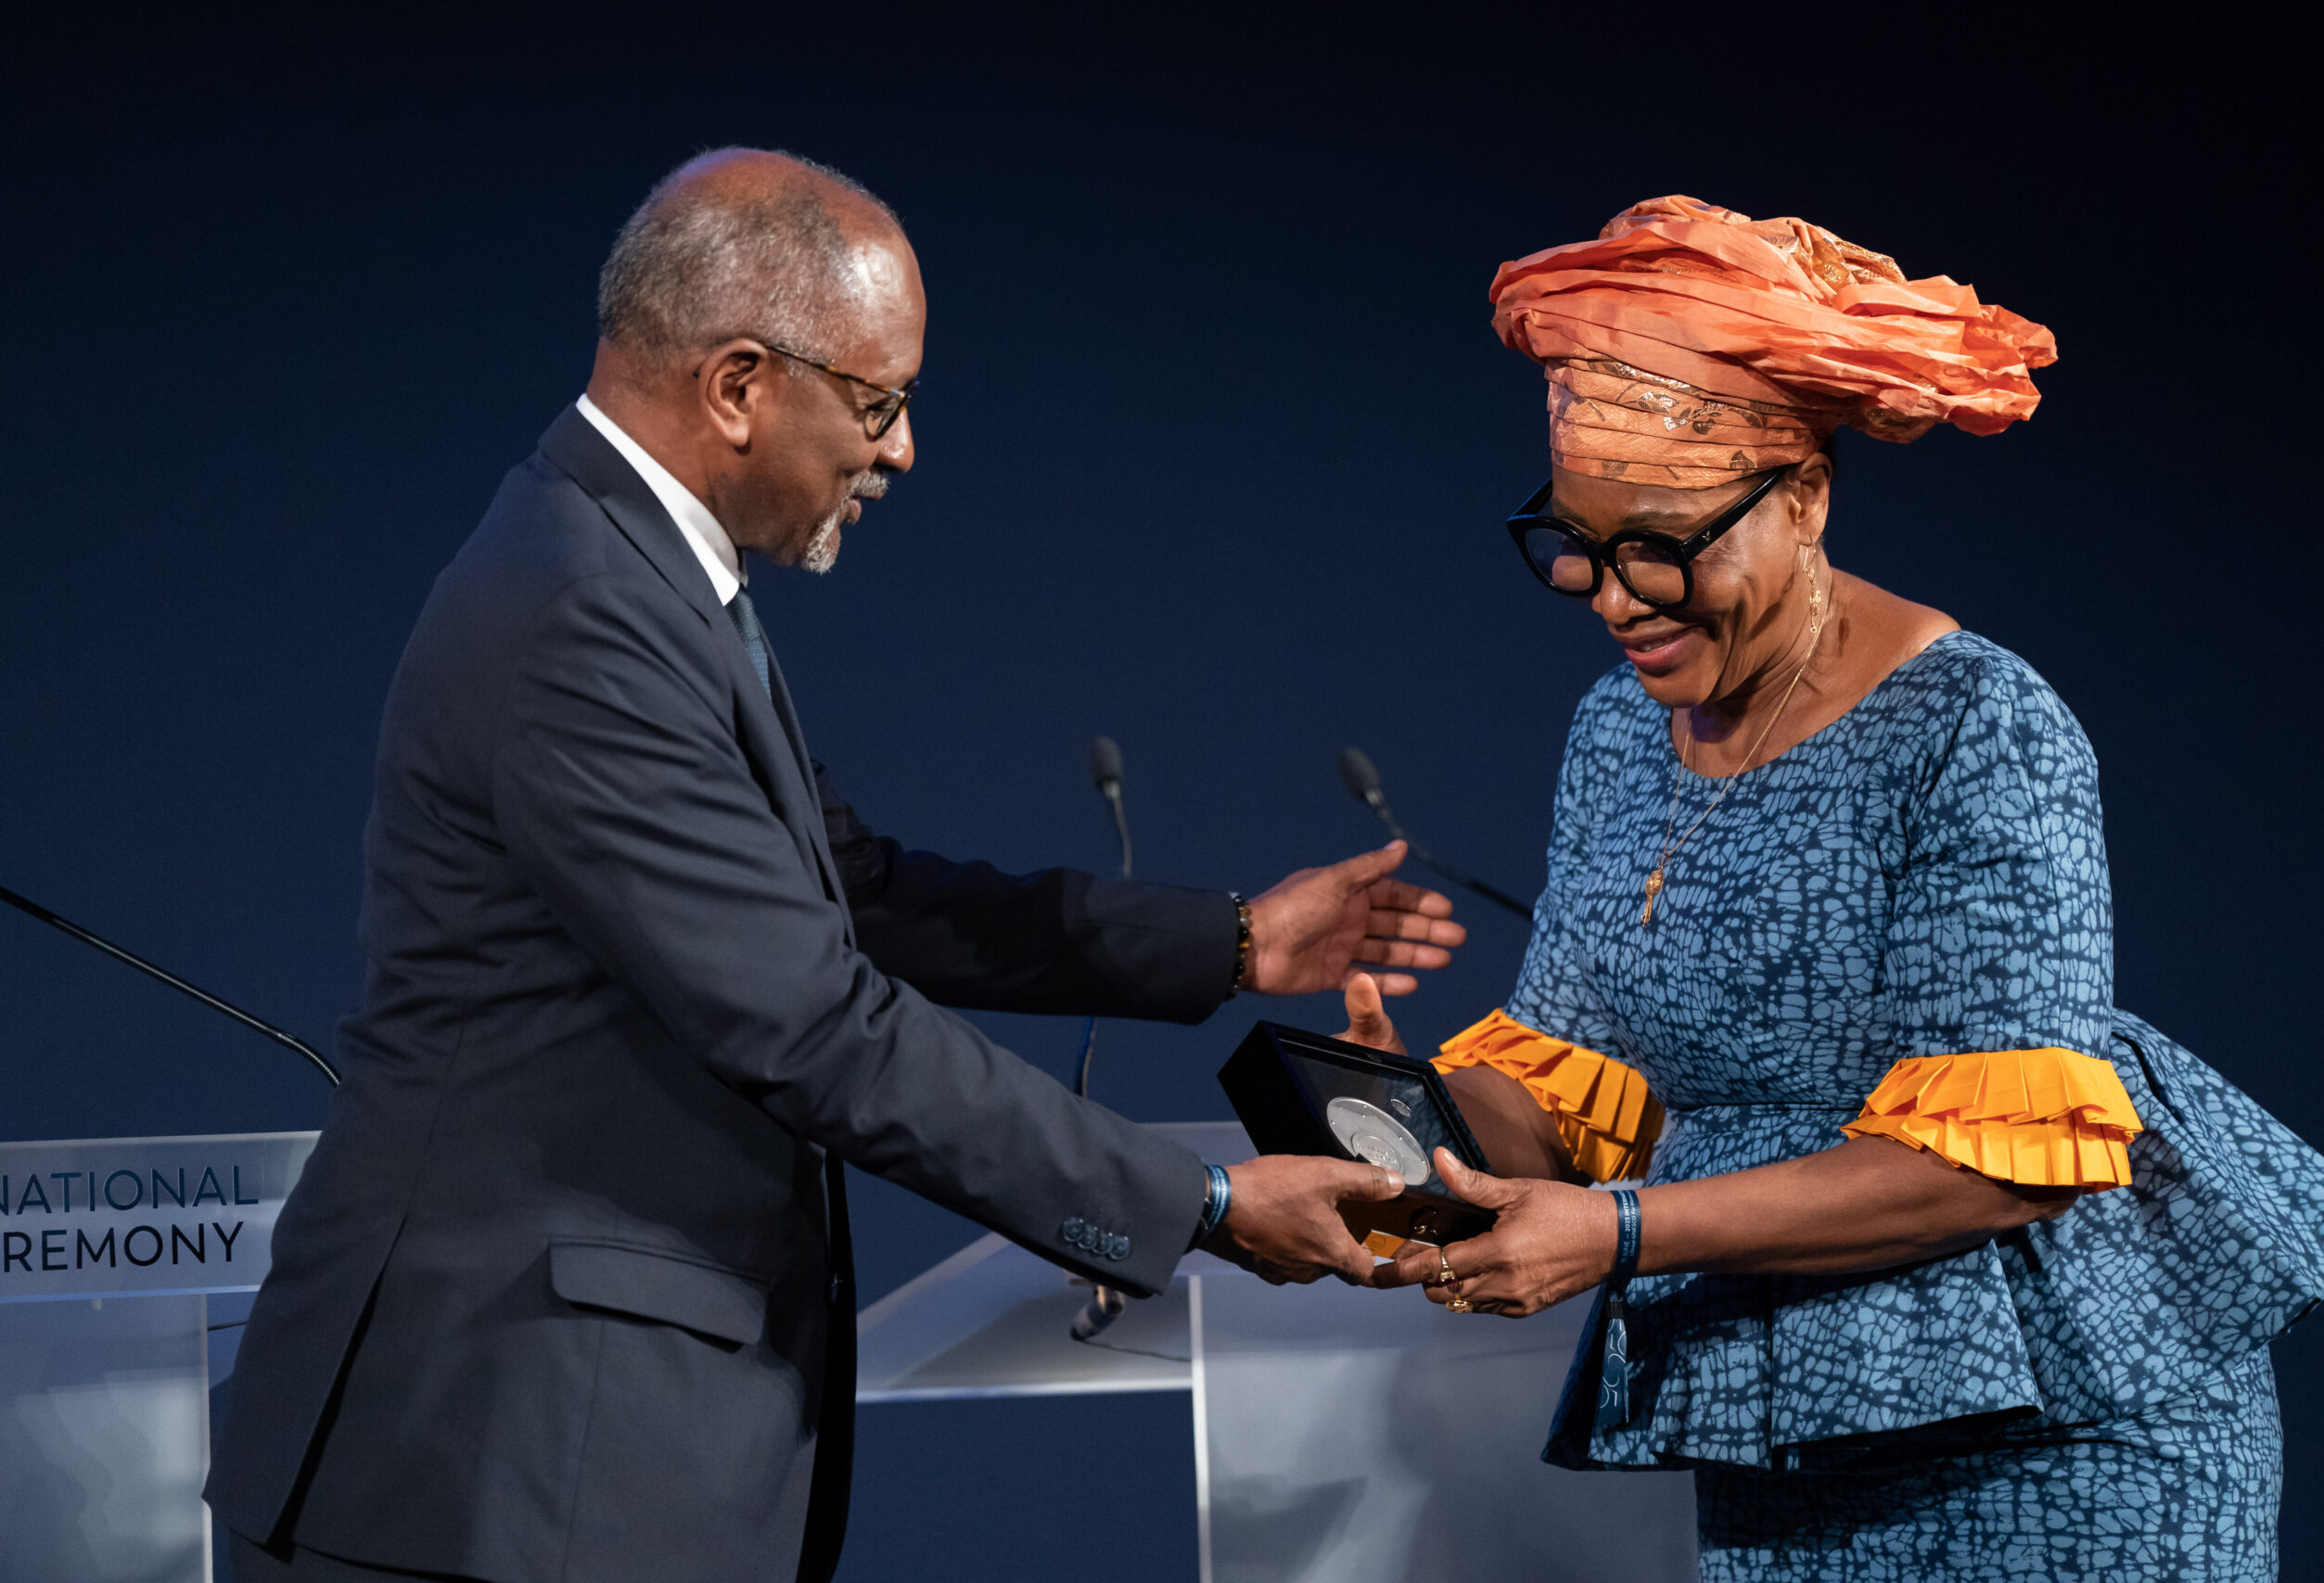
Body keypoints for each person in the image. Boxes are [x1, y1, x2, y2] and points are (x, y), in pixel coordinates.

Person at [204, 148, 1463, 1583]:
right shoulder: (578, 614)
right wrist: (1211, 1208)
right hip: (498, 1460)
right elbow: (810, 1021)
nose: (903, 450)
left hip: (560, 1456)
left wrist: (1233, 945)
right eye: (880, 402)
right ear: (739, 384)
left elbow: (850, 891)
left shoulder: (632, 571)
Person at [1338, 196, 2324, 1580]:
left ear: (1806, 498)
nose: (1613, 594)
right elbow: (1577, 1075)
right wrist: (1425, 1127)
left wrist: (1625, 1232)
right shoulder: (1615, 732)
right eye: (1576, 541)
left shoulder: (1974, 727)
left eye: (1664, 542)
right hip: (1797, 1422)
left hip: (2063, 1441)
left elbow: (1992, 1168)